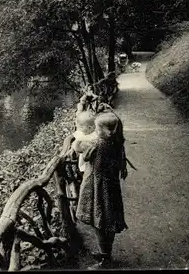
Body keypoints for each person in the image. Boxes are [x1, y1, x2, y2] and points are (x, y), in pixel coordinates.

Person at [76, 111, 128, 269]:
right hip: (112, 188)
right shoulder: (118, 144)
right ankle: (107, 252)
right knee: (109, 220)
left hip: (97, 189)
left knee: (98, 222)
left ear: (107, 132)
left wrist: (77, 140)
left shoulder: (97, 145)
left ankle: (105, 258)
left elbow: (80, 150)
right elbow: (122, 162)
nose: (96, 133)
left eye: (98, 130)